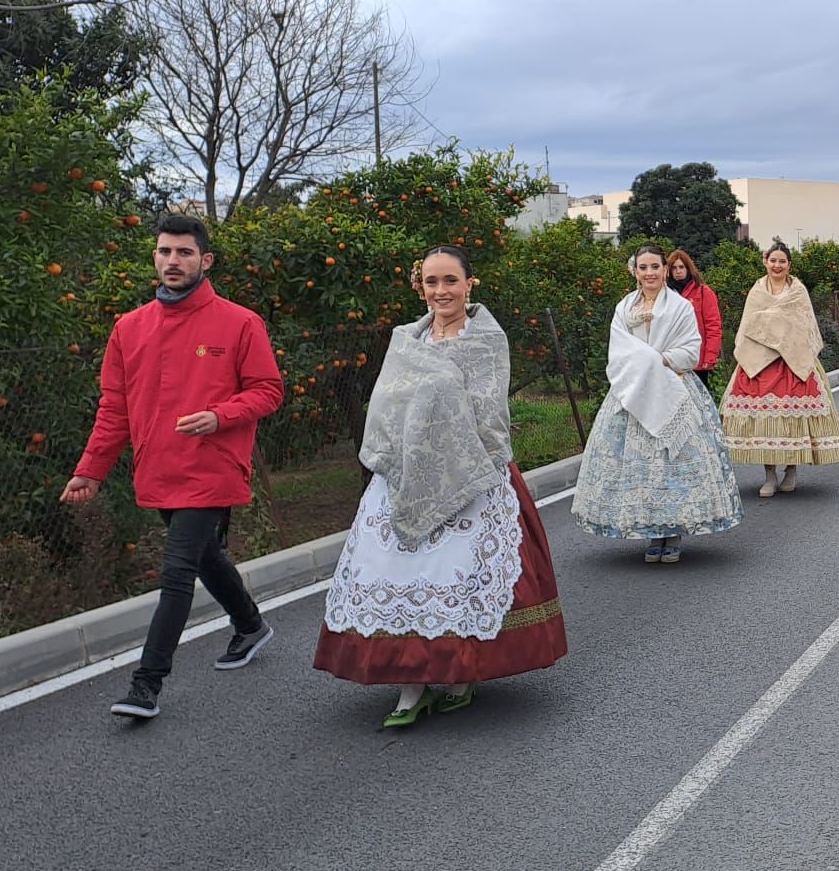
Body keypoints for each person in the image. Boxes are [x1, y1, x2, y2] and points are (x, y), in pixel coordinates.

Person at [313, 246, 568, 727]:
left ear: (470, 284)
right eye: (432, 282)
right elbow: (386, 405)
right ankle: (410, 687)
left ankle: (457, 675)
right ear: (420, 286)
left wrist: (454, 442)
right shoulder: (406, 340)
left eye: (450, 281)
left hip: (470, 473)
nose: (441, 291)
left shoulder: (487, 339)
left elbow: (488, 409)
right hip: (406, 477)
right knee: (400, 574)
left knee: (455, 575)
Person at [64, 215, 284, 720]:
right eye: (165, 251)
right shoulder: (129, 328)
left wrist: (220, 416)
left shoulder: (240, 322)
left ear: (205, 261)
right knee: (206, 558)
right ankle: (250, 625)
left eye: (184, 253)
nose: (172, 261)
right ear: (155, 258)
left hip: (213, 467)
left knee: (178, 570)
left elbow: (268, 391)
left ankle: (146, 684)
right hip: (157, 468)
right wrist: (91, 470)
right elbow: (114, 408)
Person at [572, 245, 744, 562]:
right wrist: (644, 365)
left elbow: (691, 349)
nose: (649, 273)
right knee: (638, 467)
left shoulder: (679, 307)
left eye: (655, 266)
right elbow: (618, 351)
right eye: (643, 267)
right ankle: (652, 533)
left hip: (673, 385)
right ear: (634, 271)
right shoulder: (624, 308)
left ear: (665, 270)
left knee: (672, 462)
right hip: (633, 390)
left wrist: (657, 360)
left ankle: (673, 532)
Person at [722, 243, 839, 497]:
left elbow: (804, 324)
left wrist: (774, 324)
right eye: (773, 261)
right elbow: (749, 324)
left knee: (794, 420)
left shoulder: (798, 291)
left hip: (792, 360)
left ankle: (791, 469)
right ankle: (769, 475)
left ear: (789, 264)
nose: (777, 265)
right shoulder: (756, 292)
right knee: (763, 421)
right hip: (760, 361)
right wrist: (776, 324)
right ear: (765, 261)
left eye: (782, 261)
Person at [667, 250, 724, 387]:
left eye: (681, 267)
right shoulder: (665, 294)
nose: (678, 271)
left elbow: (713, 327)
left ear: (688, 268)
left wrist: (710, 357)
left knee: (699, 401)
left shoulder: (704, 292)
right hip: (671, 357)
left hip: (697, 359)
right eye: (674, 268)